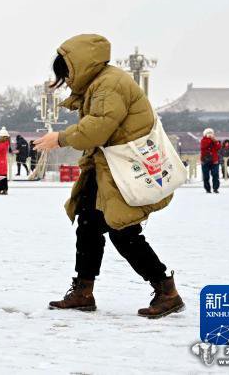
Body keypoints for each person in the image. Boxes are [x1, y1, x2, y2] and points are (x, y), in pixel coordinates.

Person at [34, 34, 183, 319]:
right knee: (88, 223)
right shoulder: (100, 82)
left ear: (78, 66)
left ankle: (167, 290)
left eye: (66, 75)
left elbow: (98, 129)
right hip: (107, 167)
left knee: (122, 231)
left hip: (123, 168)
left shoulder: (109, 85)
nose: (66, 81)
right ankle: (83, 291)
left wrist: (61, 138)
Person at [199, 129, 221, 194]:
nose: (210, 134)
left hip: (214, 161)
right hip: (205, 160)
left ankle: (215, 188)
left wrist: (215, 141)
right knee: (206, 176)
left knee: (215, 175)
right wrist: (209, 139)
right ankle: (207, 189)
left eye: (211, 133)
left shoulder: (215, 140)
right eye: (208, 133)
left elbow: (218, 147)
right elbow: (204, 146)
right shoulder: (203, 140)